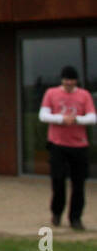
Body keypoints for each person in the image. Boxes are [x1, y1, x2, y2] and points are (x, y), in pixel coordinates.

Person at [39, 65, 95, 229]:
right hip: (57, 145)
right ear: (62, 80)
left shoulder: (84, 95)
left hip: (79, 145)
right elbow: (43, 115)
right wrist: (61, 119)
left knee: (78, 184)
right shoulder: (51, 93)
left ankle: (75, 218)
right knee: (58, 180)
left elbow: (92, 117)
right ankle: (56, 213)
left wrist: (77, 120)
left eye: (71, 80)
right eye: (66, 80)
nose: (68, 83)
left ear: (76, 81)